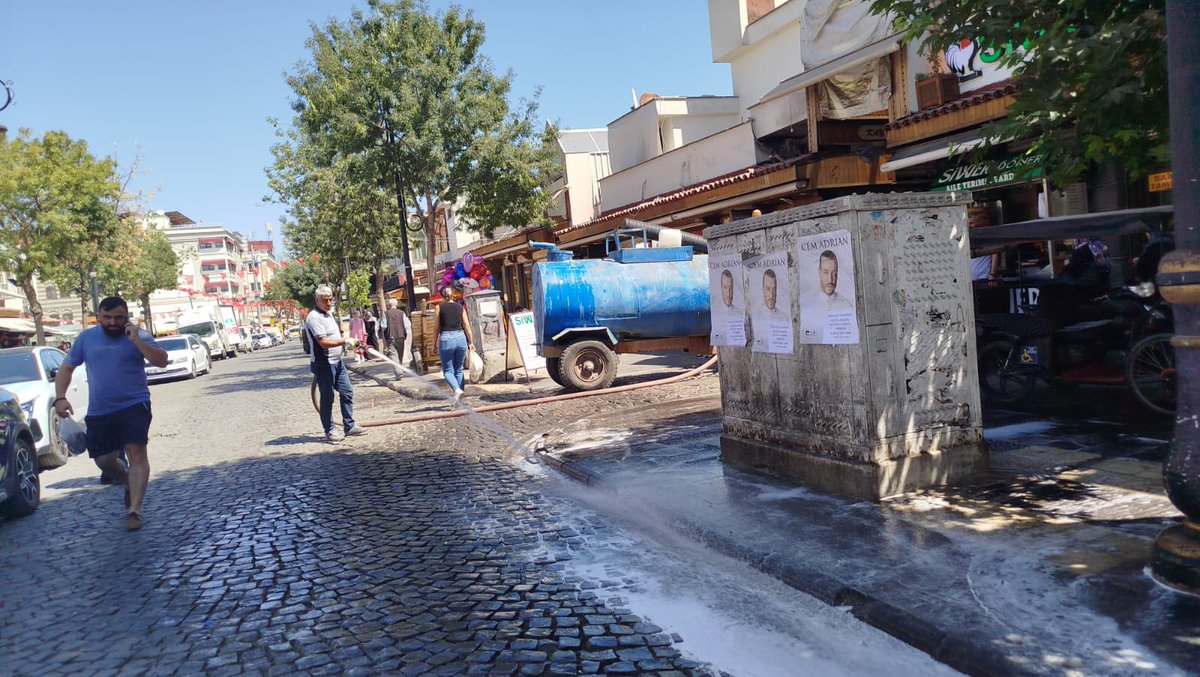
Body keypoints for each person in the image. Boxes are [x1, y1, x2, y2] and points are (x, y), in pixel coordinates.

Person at [53, 296, 168, 531]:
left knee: (136, 452)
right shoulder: (86, 339)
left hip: (135, 404)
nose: (112, 322)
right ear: (99, 317)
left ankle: (134, 511)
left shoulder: (139, 335)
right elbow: (67, 368)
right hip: (100, 409)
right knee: (103, 461)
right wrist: (60, 397)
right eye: (107, 317)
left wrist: (136, 340)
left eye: (118, 317)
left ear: (126, 316)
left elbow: (162, 361)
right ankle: (128, 480)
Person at [305, 285, 367, 442]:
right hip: (324, 364)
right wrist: (345, 341)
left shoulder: (328, 314)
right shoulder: (314, 317)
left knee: (347, 391)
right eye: (325, 301)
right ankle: (330, 430)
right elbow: (323, 342)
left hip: (337, 362)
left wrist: (346, 342)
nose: (328, 303)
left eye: (330, 300)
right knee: (327, 397)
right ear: (317, 301)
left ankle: (349, 425)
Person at [435, 288, 475, 404]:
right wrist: (471, 342)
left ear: (442, 296)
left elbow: (436, 328)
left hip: (446, 338)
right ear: (453, 295)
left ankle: (457, 390)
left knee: (448, 370)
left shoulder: (439, 308)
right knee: (459, 369)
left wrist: (434, 343)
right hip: (460, 337)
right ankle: (459, 399)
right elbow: (467, 326)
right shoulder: (460, 307)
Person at [384, 299, 408, 376]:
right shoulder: (402, 313)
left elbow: (383, 326)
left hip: (390, 336)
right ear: (396, 304)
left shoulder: (386, 313)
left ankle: (398, 371)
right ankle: (400, 370)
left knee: (393, 355)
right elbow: (406, 324)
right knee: (400, 354)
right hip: (401, 336)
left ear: (389, 305)